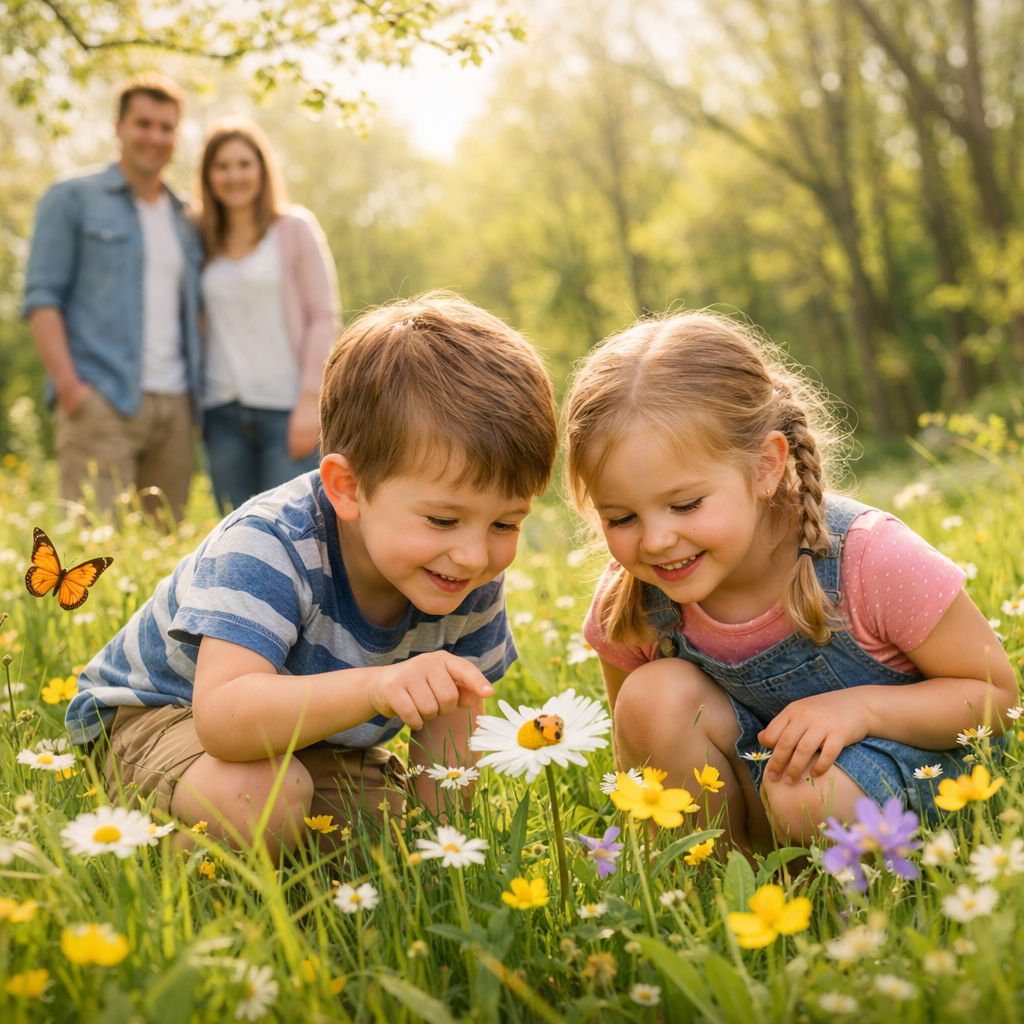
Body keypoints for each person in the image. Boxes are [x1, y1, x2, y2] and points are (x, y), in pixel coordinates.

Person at [66, 293, 558, 859]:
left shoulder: (465, 571)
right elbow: (223, 717)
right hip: (159, 718)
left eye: (505, 523)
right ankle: (165, 865)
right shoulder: (271, 544)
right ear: (348, 488)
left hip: (307, 744)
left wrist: (442, 857)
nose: (473, 555)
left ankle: (291, 855)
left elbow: (452, 724)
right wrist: (376, 687)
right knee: (260, 798)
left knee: (386, 836)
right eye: (443, 519)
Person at [563, 311, 1018, 852]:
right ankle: (720, 880)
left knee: (805, 793)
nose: (657, 541)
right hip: (764, 791)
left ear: (765, 466)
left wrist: (862, 710)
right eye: (621, 518)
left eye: (684, 504)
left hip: (900, 782)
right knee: (651, 698)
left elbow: (996, 697)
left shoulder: (869, 557)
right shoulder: (635, 596)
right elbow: (639, 758)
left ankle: (849, 892)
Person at [23, 72, 203, 523]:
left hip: (176, 408)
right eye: (144, 123)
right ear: (118, 127)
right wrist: (71, 389)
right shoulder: (71, 197)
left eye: (166, 127)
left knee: (166, 549)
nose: (155, 137)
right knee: (92, 546)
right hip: (102, 400)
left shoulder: (186, 216)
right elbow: (42, 297)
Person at [197, 118, 340, 513]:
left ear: (262, 169)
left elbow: (322, 315)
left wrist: (311, 400)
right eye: (222, 166)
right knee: (232, 531)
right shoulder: (201, 235)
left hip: (286, 409)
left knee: (293, 527)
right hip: (220, 412)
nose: (234, 175)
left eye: (244, 164)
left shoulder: (294, 227)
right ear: (208, 175)